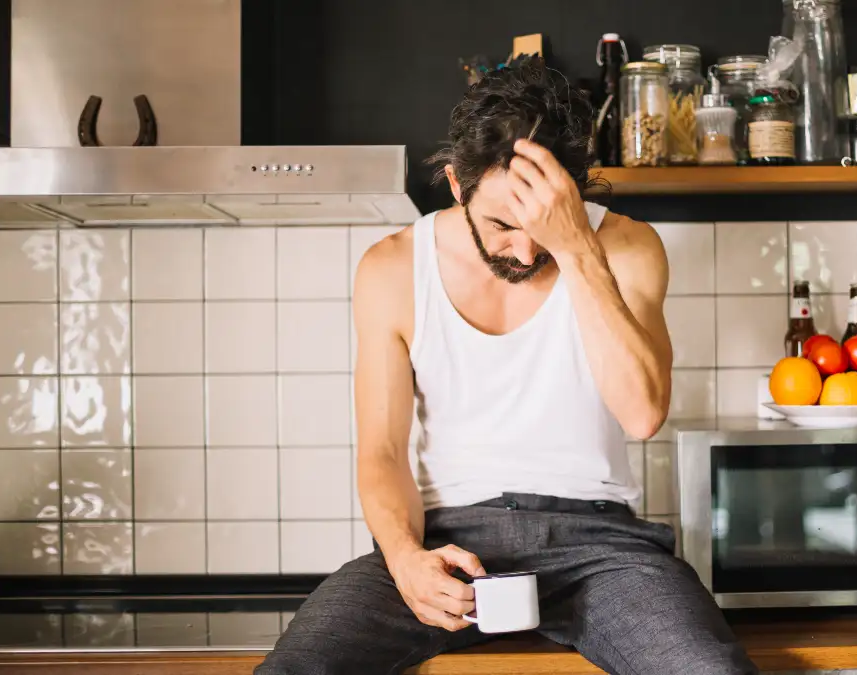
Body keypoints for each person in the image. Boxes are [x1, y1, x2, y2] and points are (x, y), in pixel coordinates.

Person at [256, 57, 758, 675]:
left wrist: (576, 245)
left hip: (603, 549)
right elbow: (382, 455)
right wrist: (406, 557)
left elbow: (643, 412)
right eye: (500, 224)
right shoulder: (390, 269)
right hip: (451, 545)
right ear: (456, 186)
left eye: (543, 225)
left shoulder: (626, 246)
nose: (524, 251)